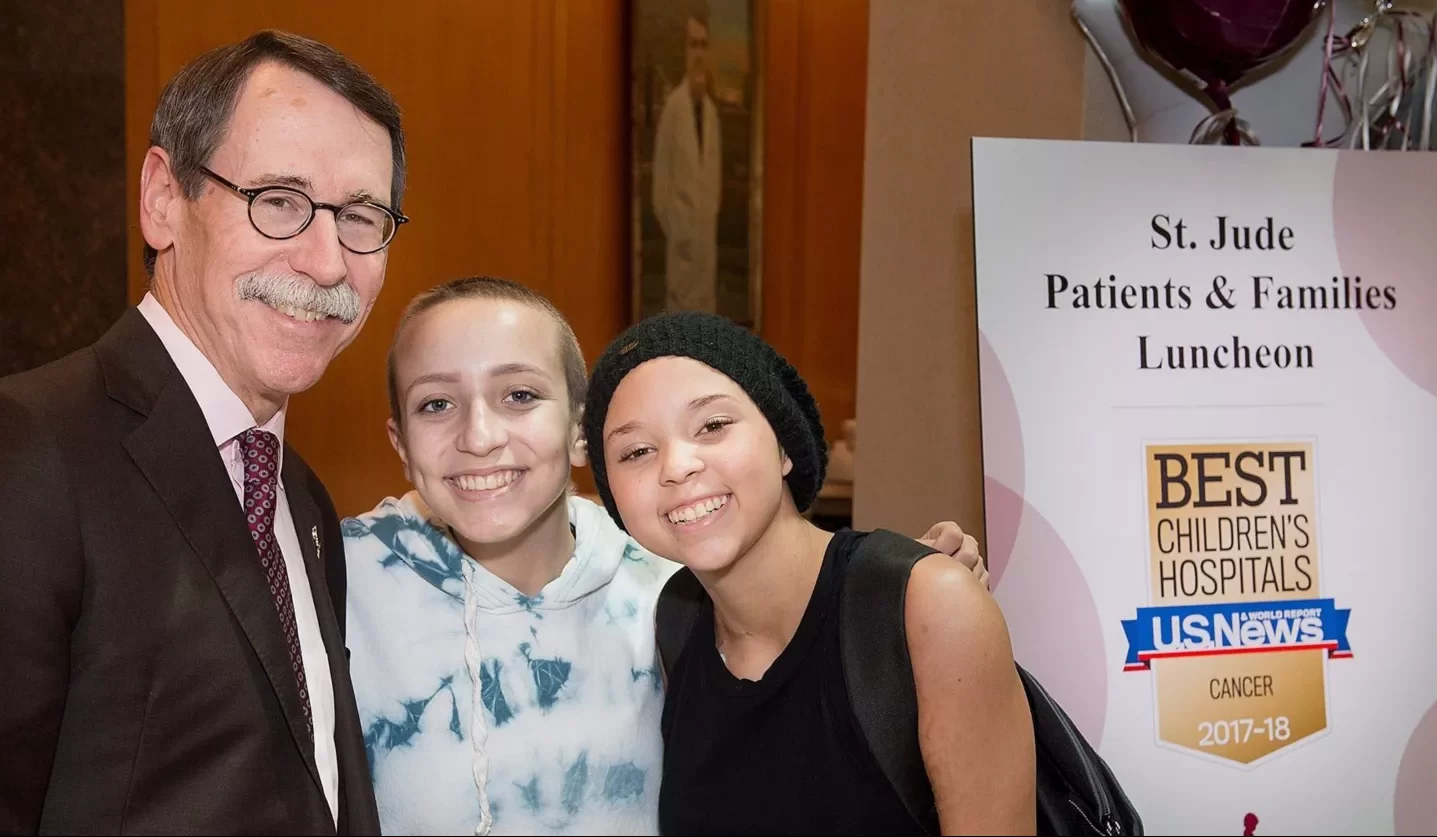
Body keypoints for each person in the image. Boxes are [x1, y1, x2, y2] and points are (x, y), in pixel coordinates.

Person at [341, 277, 987, 835]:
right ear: (400, 443)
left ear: (579, 431)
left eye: (519, 395)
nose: (480, 436)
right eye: (436, 404)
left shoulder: (667, 588)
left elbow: (803, 650)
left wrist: (908, 596)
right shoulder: (335, 582)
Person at [0, 30, 405, 834]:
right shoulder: (29, 452)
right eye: (279, 201)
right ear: (162, 199)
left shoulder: (302, 500)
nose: (329, 262)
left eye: (361, 216)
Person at [583, 311, 1038, 836]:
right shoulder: (674, 621)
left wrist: (931, 593)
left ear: (783, 446)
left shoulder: (925, 607)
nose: (677, 465)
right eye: (637, 451)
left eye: (712, 425)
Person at [651, 10, 722, 314]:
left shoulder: (712, 114)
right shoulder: (673, 109)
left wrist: (706, 216)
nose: (699, 54)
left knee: (705, 325)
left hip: (706, 243)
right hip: (681, 244)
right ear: (684, 51)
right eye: (693, 45)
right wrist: (678, 228)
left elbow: (714, 182)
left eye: (704, 45)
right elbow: (660, 184)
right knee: (679, 325)